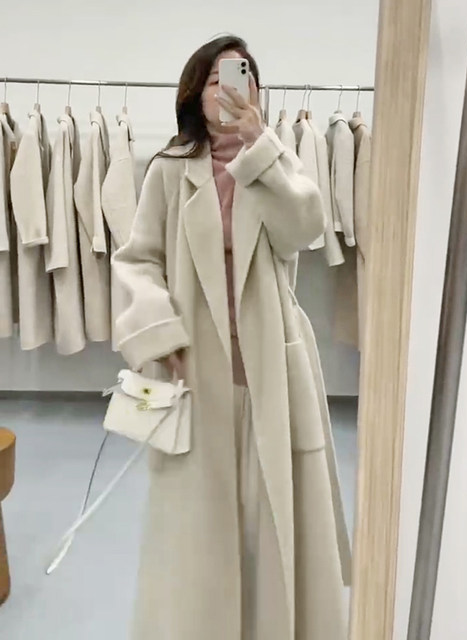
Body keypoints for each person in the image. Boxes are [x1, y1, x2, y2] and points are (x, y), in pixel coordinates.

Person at [112, 34, 351, 640]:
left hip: (271, 366)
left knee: (272, 517)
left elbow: (304, 230)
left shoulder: (274, 162)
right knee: (200, 525)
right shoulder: (169, 171)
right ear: (196, 93)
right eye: (217, 79)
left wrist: (258, 146)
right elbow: (137, 260)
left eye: (242, 77)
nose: (229, 90)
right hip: (197, 367)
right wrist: (157, 329)